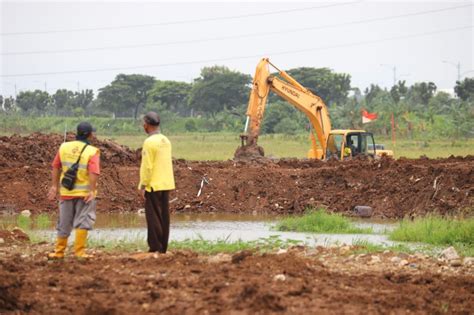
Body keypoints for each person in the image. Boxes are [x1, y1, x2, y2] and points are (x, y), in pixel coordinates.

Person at [47, 122, 100, 259]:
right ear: (90, 134)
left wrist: (54, 186)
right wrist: (92, 190)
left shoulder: (64, 147)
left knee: (64, 221)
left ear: (76, 133)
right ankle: (80, 252)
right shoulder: (92, 151)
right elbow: (94, 172)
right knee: (83, 221)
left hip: (66, 192)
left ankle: (59, 252)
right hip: (84, 195)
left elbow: (55, 166)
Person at [139, 112, 175, 253]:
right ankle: (163, 247)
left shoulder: (149, 142)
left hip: (153, 185)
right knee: (164, 217)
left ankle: (155, 247)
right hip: (166, 183)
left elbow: (147, 166)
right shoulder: (166, 140)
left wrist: (143, 185)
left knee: (153, 216)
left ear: (147, 125)